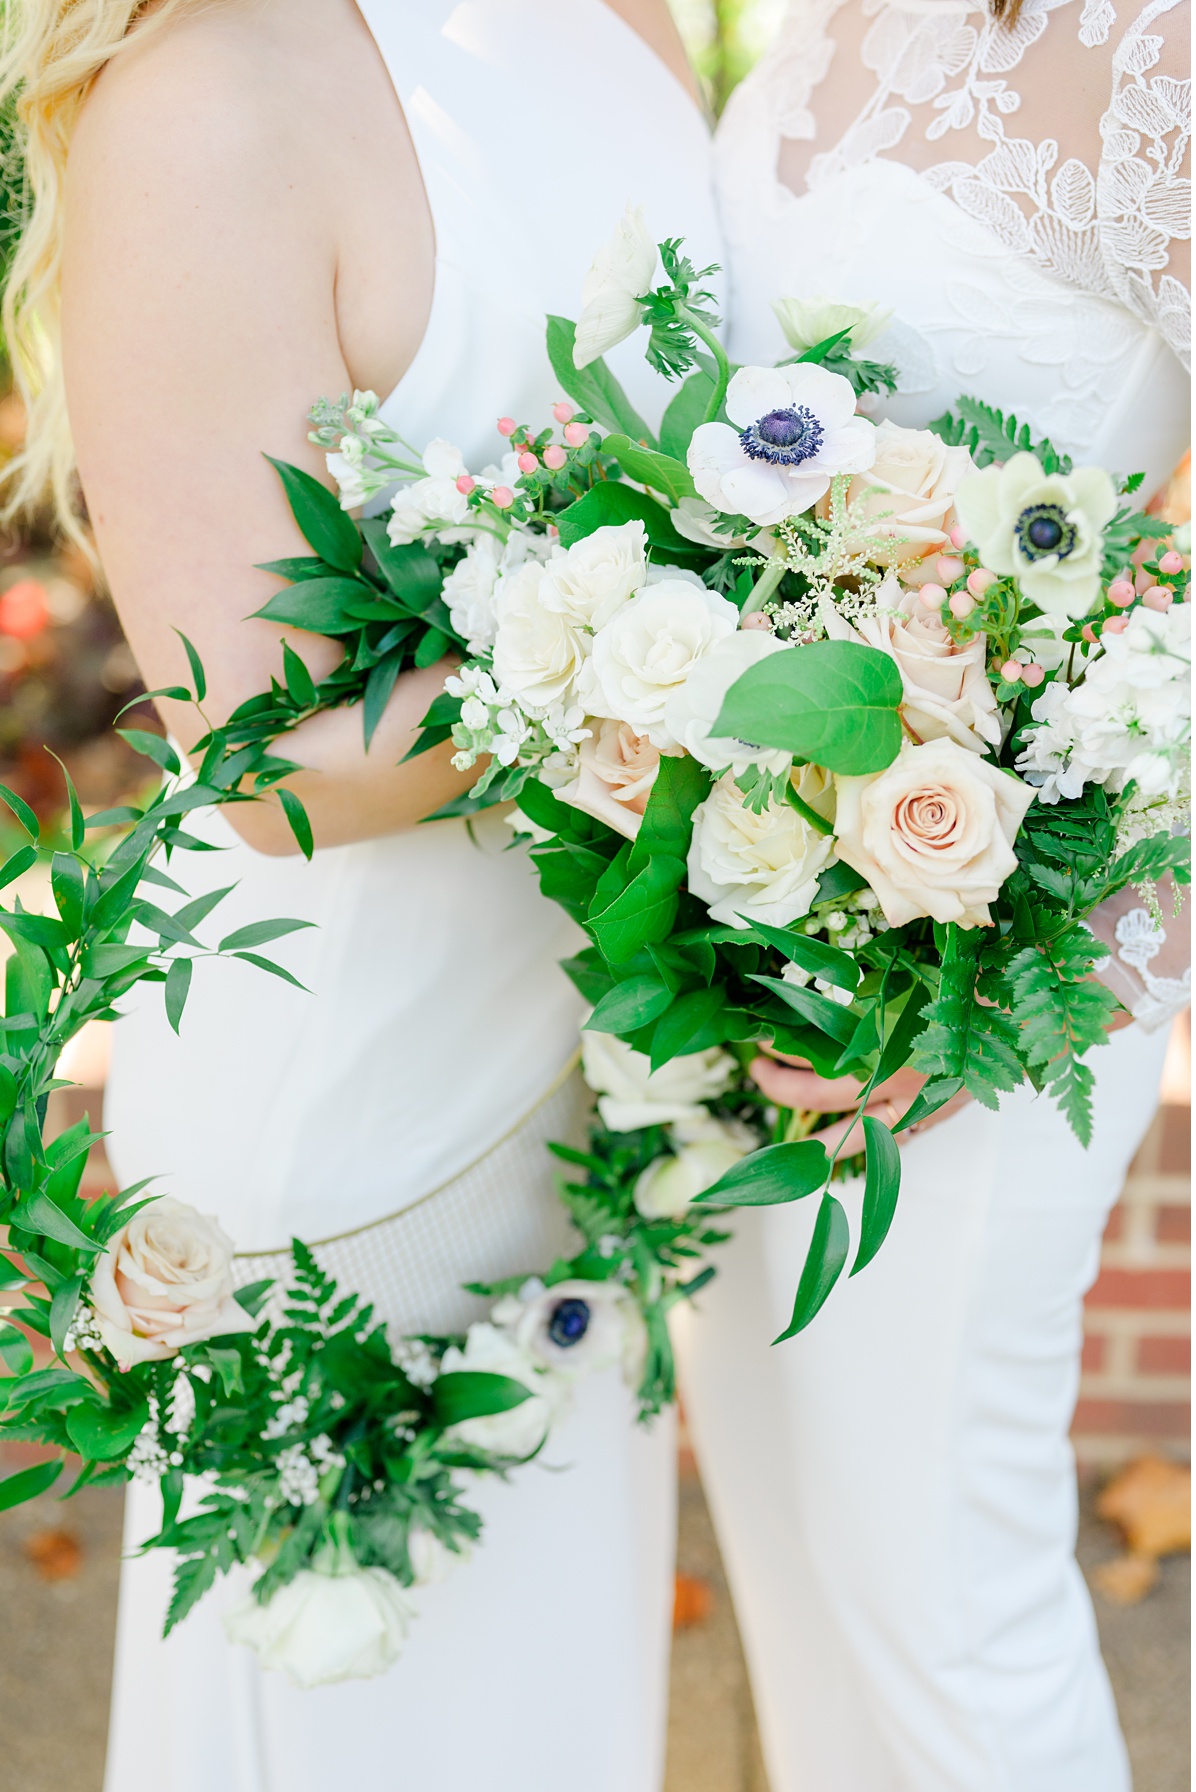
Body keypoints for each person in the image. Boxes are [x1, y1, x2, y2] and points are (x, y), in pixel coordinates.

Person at [3, 0, 719, 1783]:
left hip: (595, 1071)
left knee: (552, 1715)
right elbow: (265, 762)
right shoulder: (211, 93)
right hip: (356, 1115)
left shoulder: (628, 20)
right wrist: (708, 656)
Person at [674, 2, 1192, 1787]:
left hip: (994, 974)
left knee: (938, 1597)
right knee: (798, 1556)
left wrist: (1027, 958)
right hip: (754, 929)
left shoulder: (1168, 57)